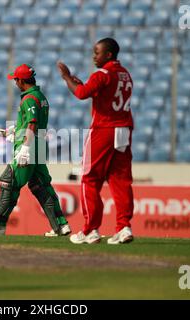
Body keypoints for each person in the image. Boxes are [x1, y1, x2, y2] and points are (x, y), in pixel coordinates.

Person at [58, 38, 134, 245]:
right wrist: (81, 83)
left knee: (89, 179)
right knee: (120, 180)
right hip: (124, 129)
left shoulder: (102, 74)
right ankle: (124, 227)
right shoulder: (125, 74)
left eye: (97, 52)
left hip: (103, 129)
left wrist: (67, 78)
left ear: (108, 54)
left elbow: (82, 94)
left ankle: (91, 230)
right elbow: (103, 95)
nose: (94, 56)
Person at [0, 64, 71, 237]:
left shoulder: (29, 98)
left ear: (22, 81)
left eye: (16, 79)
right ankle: (61, 226)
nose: (15, 83)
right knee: (42, 186)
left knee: (8, 182)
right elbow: (30, 122)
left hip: (29, 146)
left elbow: (32, 122)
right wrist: (16, 130)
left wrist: (24, 148)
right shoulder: (40, 96)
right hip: (38, 144)